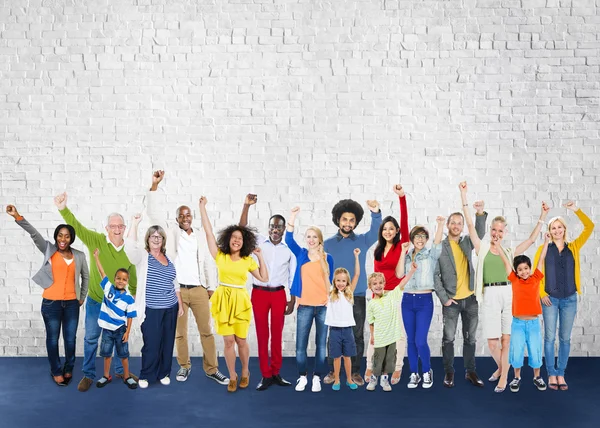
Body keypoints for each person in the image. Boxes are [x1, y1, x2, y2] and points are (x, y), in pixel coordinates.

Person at [460, 181, 549, 393]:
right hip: (490, 294)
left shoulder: (510, 251)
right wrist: (463, 195)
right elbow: (471, 226)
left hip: (509, 294)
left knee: (506, 339)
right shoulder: (481, 248)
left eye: (500, 231)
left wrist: (542, 216)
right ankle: (501, 368)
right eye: (494, 230)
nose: (496, 233)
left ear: (504, 233)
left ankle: (504, 378)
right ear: (490, 230)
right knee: (492, 342)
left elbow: (531, 239)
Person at [145, 171, 227, 385]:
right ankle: (184, 366)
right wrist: (154, 186)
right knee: (179, 333)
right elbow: (154, 215)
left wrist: (210, 287)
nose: (185, 218)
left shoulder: (199, 235)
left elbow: (209, 261)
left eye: (188, 215)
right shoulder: (171, 233)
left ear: (192, 217)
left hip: (199, 289)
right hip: (177, 291)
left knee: (206, 331)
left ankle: (212, 369)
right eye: (181, 215)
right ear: (177, 219)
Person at [54, 192, 137, 392]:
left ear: (124, 229)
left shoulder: (131, 250)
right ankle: (89, 375)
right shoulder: (96, 240)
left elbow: (133, 278)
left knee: (119, 339)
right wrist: (63, 208)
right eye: (113, 226)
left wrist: (134, 301)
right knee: (91, 338)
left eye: (120, 226)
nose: (116, 229)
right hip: (95, 302)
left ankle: (119, 370)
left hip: (118, 306)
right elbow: (78, 227)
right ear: (106, 228)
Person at [7, 205, 88, 386]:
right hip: (51, 303)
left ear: (71, 238)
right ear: (56, 237)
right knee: (52, 338)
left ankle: (68, 368)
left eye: (67, 236)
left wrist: (81, 296)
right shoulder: (49, 250)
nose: (63, 239)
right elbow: (34, 234)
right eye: (60, 235)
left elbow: (86, 277)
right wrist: (18, 216)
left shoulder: (80, 255)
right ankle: (56, 370)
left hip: (72, 304)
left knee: (70, 339)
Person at [198, 196, 269, 393]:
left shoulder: (247, 260)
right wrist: (202, 207)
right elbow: (208, 232)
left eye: (240, 238)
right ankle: (232, 375)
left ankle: (245, 370)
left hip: (240, 301)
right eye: (234, 237)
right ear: (228, 239)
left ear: (243, 241)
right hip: (223, 300)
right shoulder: (220, 256)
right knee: (228, 341)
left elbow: (264, 277)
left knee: (241, 341)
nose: (237, 240)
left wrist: (260, 256)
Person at [534, 201, 594, 391]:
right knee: (550, 338)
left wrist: (576, 209)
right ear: (550, 231)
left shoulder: (574, 247)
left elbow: (590, 226)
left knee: (565, 338)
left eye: (560, 227)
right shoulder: (544, 248)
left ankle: (561, 374)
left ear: (564, 229)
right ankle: (551, 372)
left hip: (569, 298)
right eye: (554, 228)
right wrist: (542, 292)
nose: (557, 230)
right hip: (550, 299)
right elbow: (536, 272)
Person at [239, 194, 296, 391]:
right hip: (260, 294)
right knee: (262, 334)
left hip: (279, 295)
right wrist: (246, 206)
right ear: (269, 227)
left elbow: (292, 276)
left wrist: (292, 299)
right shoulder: (258, 242)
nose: (275, 229)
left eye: (279, 226)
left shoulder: (288, 249)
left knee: (277, 335)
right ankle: (265, 374)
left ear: (283, 229)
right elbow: (242, 228)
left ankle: (276, 372)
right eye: (272, 226)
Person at [324, 199, 382, 386]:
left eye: (351, 220)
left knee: (356, 334)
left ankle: (355, 371)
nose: (348, 223)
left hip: (356, 295)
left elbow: (376, 230)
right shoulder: (327, 244)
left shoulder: (363, 240)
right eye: (344, 219)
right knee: (334, 333)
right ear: (338, 220)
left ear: (355, 222)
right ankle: (334, 371)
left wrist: (376, 212)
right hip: (334, 296)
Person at [125, 214, 184, 389]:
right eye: (153, 236)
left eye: (159, 236)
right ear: (148, 239)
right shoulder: (143, 257)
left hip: (170, 307)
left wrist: (179, 304)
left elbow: (175, 283)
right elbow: (129, 249)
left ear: (163, 240)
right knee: (151, 343)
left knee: (167, 342)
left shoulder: (169, 258)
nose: (156, 239)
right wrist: (134, 223)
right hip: (151, 309)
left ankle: (164, 372)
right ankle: (146, 375)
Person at [433, 202, 487, 388]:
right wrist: (444, 298)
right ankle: (449, 372)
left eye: (459, 223)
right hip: (452, 301)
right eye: (453, 223)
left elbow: (479, 233)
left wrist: (479, 213)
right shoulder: (440, 246)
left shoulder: (466, 242)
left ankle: (470, 371)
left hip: (471, 299)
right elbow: (435, 275)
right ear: (448, 225)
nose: (456, 226)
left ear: (462, 226)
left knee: (470, 338)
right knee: (448, 338)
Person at [285, 206, 334, 393]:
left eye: (314, 236)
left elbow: (330, 281)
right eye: (308, 236)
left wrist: (330, 299)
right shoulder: (301, 254)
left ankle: (316, 378)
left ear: (319, 239)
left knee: (321, 346)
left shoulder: (328, 258)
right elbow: (288, 239)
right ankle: (303, 376)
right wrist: (293, 216)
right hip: (304, 306)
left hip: (322, 307)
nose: (311, 240)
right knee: (300, 347)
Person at [367, 184, 410, 385]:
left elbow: (404, 219)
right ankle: (370, 365)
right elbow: (376, 274)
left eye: (391, 229)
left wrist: (401, 197)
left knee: (397, 333)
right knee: (375, 331)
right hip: (378, 295)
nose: (388, 231)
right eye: (385, 229)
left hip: (395, 294)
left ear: (397, 231)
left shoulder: (402, 245)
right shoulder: (378, 249)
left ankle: (397, 367)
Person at [497, 234, 550, 393]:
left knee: (535, 351)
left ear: (530, 268)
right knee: (517, 351)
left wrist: (546, 241)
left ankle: (537, 377)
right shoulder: (514, 280)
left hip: (533, 323)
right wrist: (498, 246)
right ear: (516, 271)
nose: (524, 271)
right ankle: (516, 377)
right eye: (520, 269)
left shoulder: (536, 278)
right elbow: (506, 262)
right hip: (518, 323)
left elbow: (541, 259)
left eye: (526, 268)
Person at [397, 217, 445, 389]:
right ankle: (414, 373)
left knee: (420, 340)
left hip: (424, 301)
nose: (420, 239)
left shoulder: (431, 255)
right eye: (417, 236)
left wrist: (439, 224)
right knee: (411, 340)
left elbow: (438, 243)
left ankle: (426, 371)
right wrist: (403, 254)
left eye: (424, 236)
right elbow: (399, 274)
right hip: (407, 300)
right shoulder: (407, 256)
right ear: (412, 239)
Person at [366, 259, 418, 392]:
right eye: (374, 284)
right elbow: (371, 322)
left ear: (384, 284)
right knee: (377, 359)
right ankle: (373, 379)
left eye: (380, 283)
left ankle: (384, 380)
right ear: (370, 287)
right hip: (379, 338)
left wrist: (411, 271)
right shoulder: (371, 303)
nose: (378, 286)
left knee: (389, 360)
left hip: (391, 338)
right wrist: (372, 336)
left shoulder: (391, 296)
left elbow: (402, 283)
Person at [92, 249, 138, 389]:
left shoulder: (129, 299)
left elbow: (130, 316)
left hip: (120, 330)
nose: (120, 281)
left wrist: (127, 332)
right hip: (107, 330)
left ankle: (126, 376)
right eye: (118, 278)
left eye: (124, 279)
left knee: (123, 355)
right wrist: (96, 258)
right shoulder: (108, 289)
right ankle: (106, 376)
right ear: (114, 278)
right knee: (107, 354)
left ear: (127, 281)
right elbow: (102, 273)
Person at [326, 248, 361, 391]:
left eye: (343, 281)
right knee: (336, 357)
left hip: (347, 330)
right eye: (338, 280)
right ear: (334, 281)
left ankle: (348, 379)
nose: (341, 283)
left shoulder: (349, 293)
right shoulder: (330, 292)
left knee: (347, 357)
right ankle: (337, 380)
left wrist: (356, 257)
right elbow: (324, 273)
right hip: (334, 330)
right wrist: (323, 258)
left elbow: (357, 274)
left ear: (347, 282)